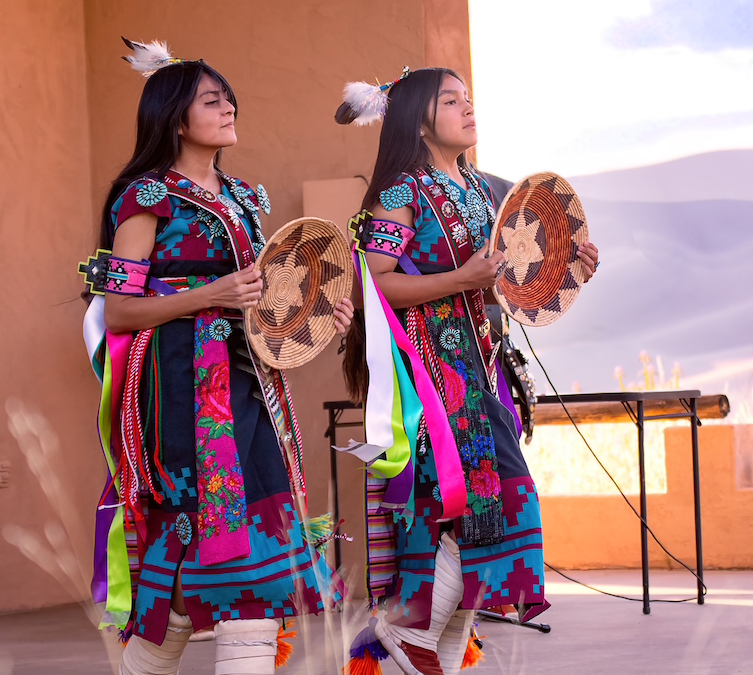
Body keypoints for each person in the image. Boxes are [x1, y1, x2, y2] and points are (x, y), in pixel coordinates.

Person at [82, 39, 353, 675]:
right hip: (183, 399)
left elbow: (263, 304)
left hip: (252, 391)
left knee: (238, 570)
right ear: (176, 117)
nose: (229, 104)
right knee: (216, 565)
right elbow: (118, 311)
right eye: (212, 98)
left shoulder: (245, 197)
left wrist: (318, 315)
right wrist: (211, 294)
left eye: (228, 94)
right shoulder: (145, 198)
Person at [335, 67, 599, 675]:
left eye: (468, 98)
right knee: (478, 502)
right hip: (426, 373)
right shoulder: (401, 191)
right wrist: (459, 281)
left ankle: (426, 649)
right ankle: (404, 629)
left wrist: (570, 268)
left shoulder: (483, 191)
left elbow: (506, 283)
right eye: (450, 100)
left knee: (478, 514)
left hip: (479, 369)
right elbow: (369, 284)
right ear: (417, 117)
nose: (467, 107)